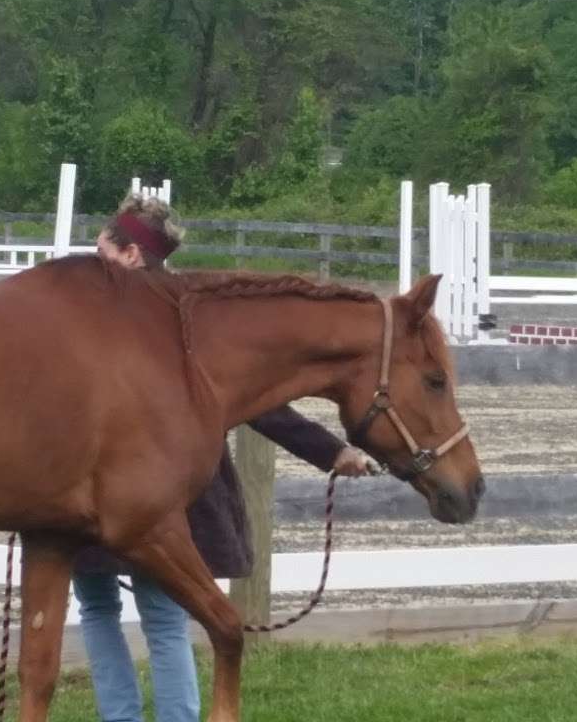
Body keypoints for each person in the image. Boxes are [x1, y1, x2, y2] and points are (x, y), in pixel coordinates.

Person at [73, 194, 369, 722]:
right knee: (139, 613)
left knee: (133, 613)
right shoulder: (186, 319)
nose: (93, 257)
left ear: (133, 255)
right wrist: (332, 452)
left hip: (125, 491)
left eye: (102, 249)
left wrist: (331, 451)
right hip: (108, 488)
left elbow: (258, 403)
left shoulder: (103, 320)